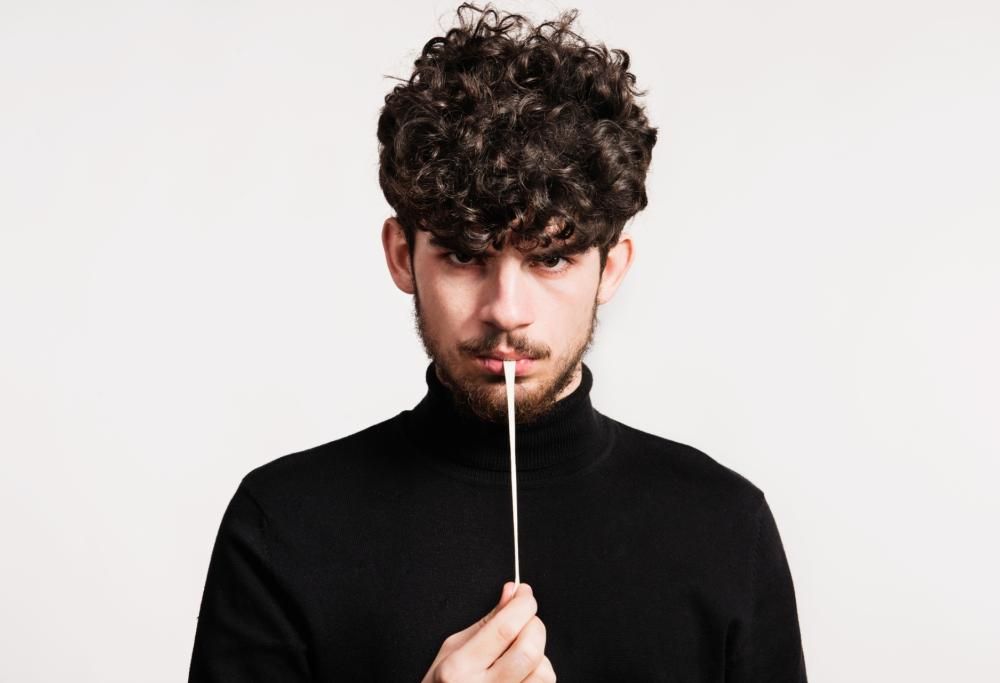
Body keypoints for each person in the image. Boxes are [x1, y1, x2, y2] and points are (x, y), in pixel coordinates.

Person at [187, 3, 808, 681]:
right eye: (463, 255)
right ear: (401, 255)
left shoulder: (724, 526)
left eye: (551, 259)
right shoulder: (283, 525)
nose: (507, 310)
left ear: (612, 268)